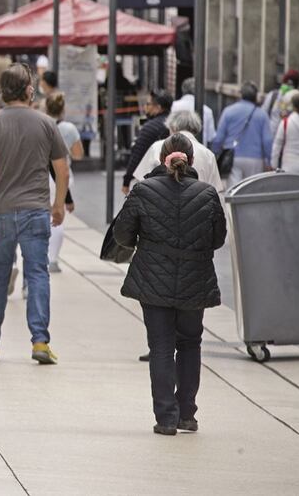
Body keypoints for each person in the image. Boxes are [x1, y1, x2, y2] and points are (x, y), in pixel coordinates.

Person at [112, 134, 226, 435]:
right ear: (191, 159)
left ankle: (165, 417)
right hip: (194, 279)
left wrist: (145, 243)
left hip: (153, 280)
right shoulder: (208, 194)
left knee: (160, 346)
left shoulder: (143, 191)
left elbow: (122, 235)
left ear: (161, 158)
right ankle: (187, 414)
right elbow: (218, 239)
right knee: (190, 343)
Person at [0, 63, 69, 365]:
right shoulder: (46, 124)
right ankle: (40, 341)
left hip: (0, 212)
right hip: (35, 210)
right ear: (29, 89)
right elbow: (61, 170)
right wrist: (58, 204)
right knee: (37, 273)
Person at [131, 110, 223, 192]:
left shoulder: (156, 147)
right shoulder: (208, 155)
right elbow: (217, 192)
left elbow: (140, 182)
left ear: (173, 127)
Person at [44, 93, 83, 272]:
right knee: (57, 216)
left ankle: (41, 253)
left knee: (41, 214)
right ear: (63, 109)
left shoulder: (42, 123)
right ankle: (52, 259)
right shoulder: (69, 128)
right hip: (63, 172)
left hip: (41, 173)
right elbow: (78, 154)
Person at [212, 82, 273, 187]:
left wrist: (215, 153)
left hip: (234, 157)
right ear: (255, 96)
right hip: (256, 159)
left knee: (234, 190)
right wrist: (269, 161)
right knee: (253, 190)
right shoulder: (262, 114)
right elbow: (267, 140)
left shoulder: (229, 111)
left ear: (241, 94)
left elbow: (219, 138)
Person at [122, 91, 174, 195]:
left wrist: (127, 180)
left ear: (158, 107)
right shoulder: (175, 124)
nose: (145, 107)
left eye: (148, 104)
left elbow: (137, 154)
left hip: (152, 180)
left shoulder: (150, 128)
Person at [171, 77, 216, 144]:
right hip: (200, 149)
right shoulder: (207, 111)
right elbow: (211, 137)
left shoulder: (174, 106)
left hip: (175, 147)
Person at [271, 90, 299, 173]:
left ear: (293, 106)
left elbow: (277, 144)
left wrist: (273, 164)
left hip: (289, 166)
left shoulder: (286, 122)